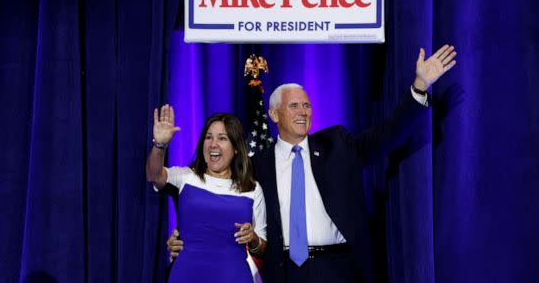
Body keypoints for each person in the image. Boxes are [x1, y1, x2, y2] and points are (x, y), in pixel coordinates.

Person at [168, 44, 457, 282]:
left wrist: (419, 87)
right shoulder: (257, 165)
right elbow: (216, 193)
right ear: (274, 114)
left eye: (306, 105)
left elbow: (386, 135)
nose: (303, 111)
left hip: (338, 268)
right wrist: (185, 237)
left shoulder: (337, 145)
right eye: (294, 105)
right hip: (284, 272)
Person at [147, 108, 268, 283]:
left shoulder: (252, 189)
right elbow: (154, 175)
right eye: (208, 137)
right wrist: (159, 145)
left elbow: (262, 247)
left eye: (222, 138)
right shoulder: (186, 177)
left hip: (233, 277)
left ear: (236, 148)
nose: (213, 144)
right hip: (187, 275)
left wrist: (253, 238)